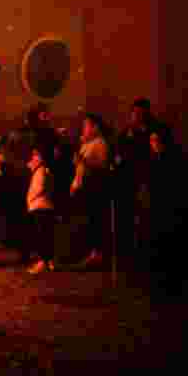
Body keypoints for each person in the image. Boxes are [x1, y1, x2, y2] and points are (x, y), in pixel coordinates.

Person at [71, 112, 112, 269]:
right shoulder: (86, 144)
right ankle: (87, 253)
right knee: (86, 222)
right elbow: (79, 168)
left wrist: (81, 160)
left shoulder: (100, 144)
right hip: (82, 188)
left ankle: (97, 255)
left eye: (86, 126)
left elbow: (100, 167)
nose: (84, 129)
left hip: (93, 189)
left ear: (95, 127)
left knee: (94, 221)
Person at [25, 145, 56, 274]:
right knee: (45, 236)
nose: (33, 158)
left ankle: (44, 262)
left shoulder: (41, 171)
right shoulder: (41, 171)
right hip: (41, 207)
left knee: (42, 237)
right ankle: (48, 262)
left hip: (41, 207)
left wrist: (30, 199)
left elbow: (38, 189)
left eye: (36, 155)